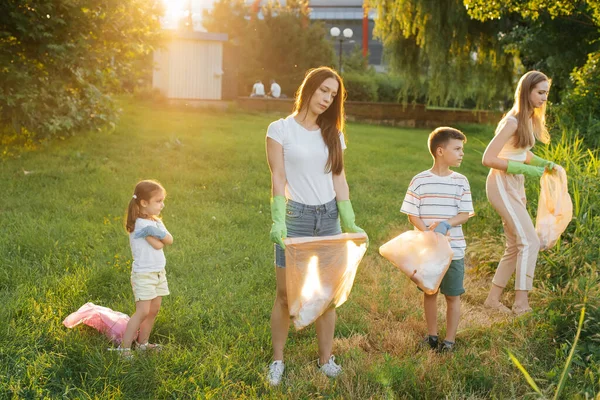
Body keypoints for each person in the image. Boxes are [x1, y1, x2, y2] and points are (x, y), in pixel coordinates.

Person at [265, 66, 366, 385]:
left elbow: (339, 177)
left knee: (326, 294)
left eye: (333, 95)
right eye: (323, 90)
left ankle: (325, 359)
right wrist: (278, 219)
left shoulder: (332, 132)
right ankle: (277, 361)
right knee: (285, 295)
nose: (327, 98)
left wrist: (348, 219)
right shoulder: (279, 129)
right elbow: (278, 177)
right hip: (295, 217)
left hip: (329, 219)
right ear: (308, 89)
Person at [482, 71, 559, 316]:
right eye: (540, 92)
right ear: (526, 91)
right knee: (530, 241)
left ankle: (493, 300)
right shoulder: (512, 121)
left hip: (516, 184)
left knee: (515, 245)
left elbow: (522, 153)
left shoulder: (527, 119)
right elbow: (488, 159)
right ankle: (521, 304)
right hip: (501, 184)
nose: (545, 97)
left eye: (547, 92)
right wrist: (524, 169)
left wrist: (546, 165)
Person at [400, 127, 474, 352]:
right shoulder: (420, 180)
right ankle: (432, 336)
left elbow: (465, 214)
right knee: (430, 293)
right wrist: (427, 234)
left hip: (454, 250)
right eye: (458, 149)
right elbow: (413, 212)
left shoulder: (461, 181)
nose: (462, 154)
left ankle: (449, 340)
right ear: (440, 151)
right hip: (428, 251)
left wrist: (446, 224)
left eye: (462, 149)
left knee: (453, 296)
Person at [114, 180, 174, 358]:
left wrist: (157, 234)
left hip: (158, 273)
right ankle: (124, 350)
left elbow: (168, 240)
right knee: (143, 312)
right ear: (144, 203)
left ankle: (142, 344)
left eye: (163, 200)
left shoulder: (154, 222)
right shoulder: (139, 225)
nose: (162, 205)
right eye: (158, 201)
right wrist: (157, 236)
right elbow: (158, 245)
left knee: (154, 310)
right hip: (144, 274)